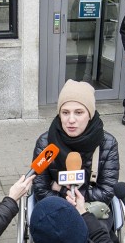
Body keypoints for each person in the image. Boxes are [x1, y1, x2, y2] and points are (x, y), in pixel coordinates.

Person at [31, 79, 119, 215]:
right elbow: (40, 188)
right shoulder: (45, 143)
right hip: (55, 210)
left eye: (78, 112)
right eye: (65, 113)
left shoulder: (107, 143)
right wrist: (65, 202)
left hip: (91, 211)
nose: (71, 120)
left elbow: (106, 191)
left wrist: (61, 189)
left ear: (90, 114)